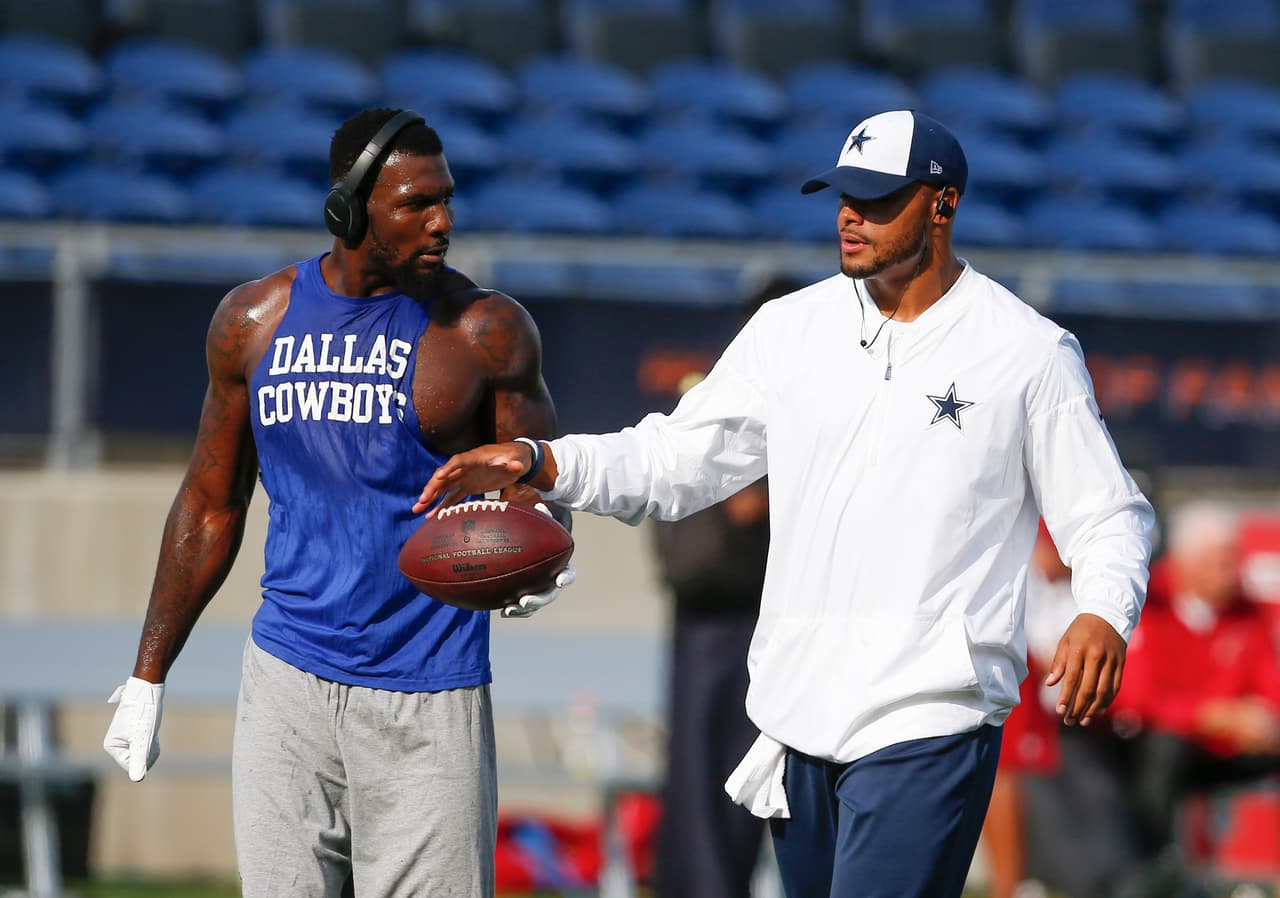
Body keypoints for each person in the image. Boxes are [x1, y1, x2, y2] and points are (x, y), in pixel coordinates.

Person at [414, 109, 1154, 898]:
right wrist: (548, 460)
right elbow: (674, 460)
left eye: (877, 199)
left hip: (929, 716)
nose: (848, 215)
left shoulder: (1028, 352)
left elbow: (1109, 515)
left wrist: (1104, 610)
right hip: (798, 713)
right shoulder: (789, 330)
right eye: (842, 195)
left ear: (942, 204)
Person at [100, 108, 574, 898]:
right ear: (348, 211)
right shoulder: (252, 323)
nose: (442, 221)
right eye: (416, 203)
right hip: (287, 678)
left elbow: (536, 488)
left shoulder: (487, 332)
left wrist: (542, 551)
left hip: (430, 686)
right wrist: (149, 673)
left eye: (447, 199)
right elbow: (211, 503)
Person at [650, 279, 799, 898]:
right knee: (712, 792)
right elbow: (744, 504)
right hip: (728, 618)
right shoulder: (744, 390)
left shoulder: (726, 381)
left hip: (736, 616)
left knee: (722, 790)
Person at [1110, 500, 1280, 864]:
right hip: (1145, 746)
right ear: (1185, 563)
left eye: (1233, 559)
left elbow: (1270, 685)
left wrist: (1262, 718)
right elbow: (1134, 695)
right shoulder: (1147, 602)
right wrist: (1208, 715)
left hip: (1225, 745)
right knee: (1165, 750)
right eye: (1218, 560)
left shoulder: (1246, 611)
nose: (1230, 572)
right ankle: (1151, 867)